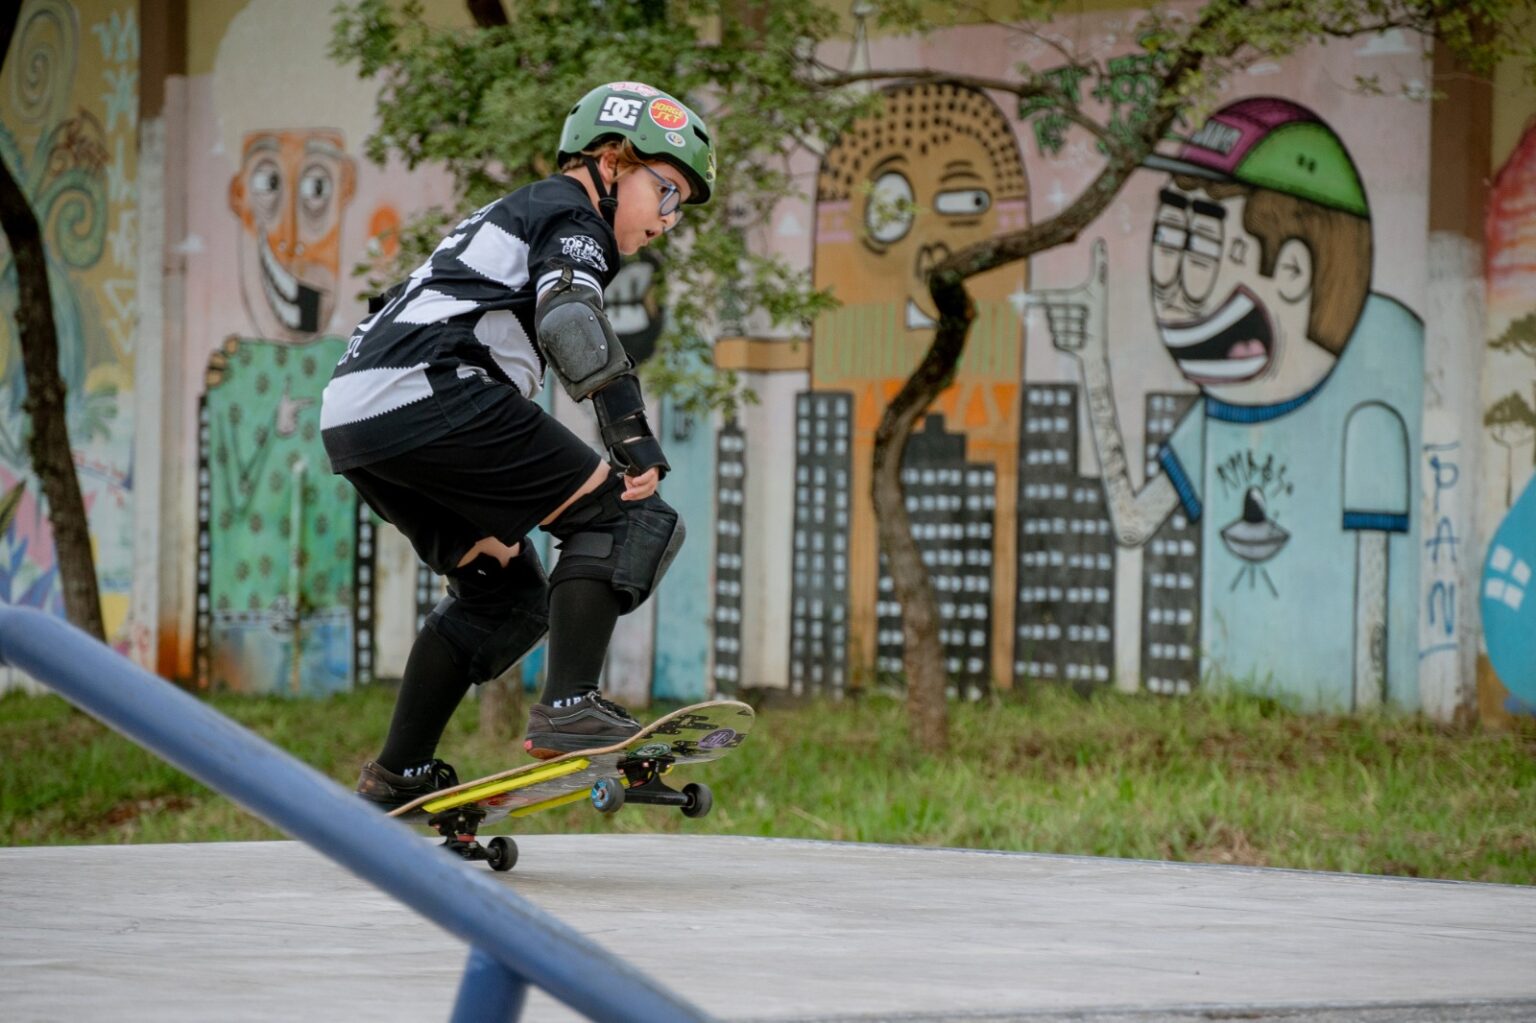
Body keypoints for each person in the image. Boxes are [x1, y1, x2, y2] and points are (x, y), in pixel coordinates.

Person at [320, 82, 715, 809]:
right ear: (611, 159)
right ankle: (570, 707)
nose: (667, 220)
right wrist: (631, 436)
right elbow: (570, 315)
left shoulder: (522, 214)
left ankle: (397, 771)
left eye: (680, 208)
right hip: (435, 389)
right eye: (664, 192)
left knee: (505, 596)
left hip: (358, 416)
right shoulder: (571, 214)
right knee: (627, 518)